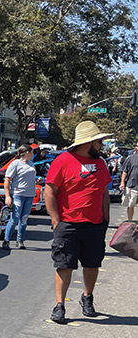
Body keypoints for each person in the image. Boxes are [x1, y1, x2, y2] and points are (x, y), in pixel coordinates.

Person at [44, 120, 112, 324]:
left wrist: (106, 219)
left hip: (94, 225)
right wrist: (56, 220)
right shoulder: (64, 160)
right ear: (88, 143)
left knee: (92, 265)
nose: (102, 145)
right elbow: (49, 191)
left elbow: (104, 193)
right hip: (68, 224)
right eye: (99, 141)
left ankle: (87, 298)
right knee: (64, 265)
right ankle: (59, 305)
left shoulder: (100, 163)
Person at [2, 144, 37, 250]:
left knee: (24, 219)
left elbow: (28, 178)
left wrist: (36, 181)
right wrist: (8, 196)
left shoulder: (31, 164)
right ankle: (6, 241)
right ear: (26, 152)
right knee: (15, 218)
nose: (33, 154)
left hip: (29, 195)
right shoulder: (15, 164)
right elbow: (7, 180)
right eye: (32, 152)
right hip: (18, 194)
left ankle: (20, 240)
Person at [120, 141, 138, 221]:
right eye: (137, 146)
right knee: (131, 204)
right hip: (132, 185)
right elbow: (125, 171)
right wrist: (122, 183)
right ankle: (130, 221)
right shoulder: (131, 158)